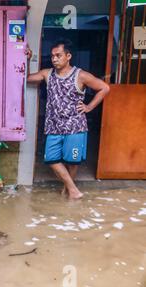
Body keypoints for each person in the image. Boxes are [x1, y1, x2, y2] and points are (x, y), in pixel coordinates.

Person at [26, 39, 110, 200]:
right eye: (52, 56)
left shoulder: (81, 75)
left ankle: (68, 190)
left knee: (72, 161)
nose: (54, 59)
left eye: (58, 55)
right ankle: (73, 189)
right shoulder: (47, 73)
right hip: (53, 126)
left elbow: (104, 88)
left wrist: (89, 107)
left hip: (75, 126)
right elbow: (28, 78)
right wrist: (28, 59)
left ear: (68, 56)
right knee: (51, 159)